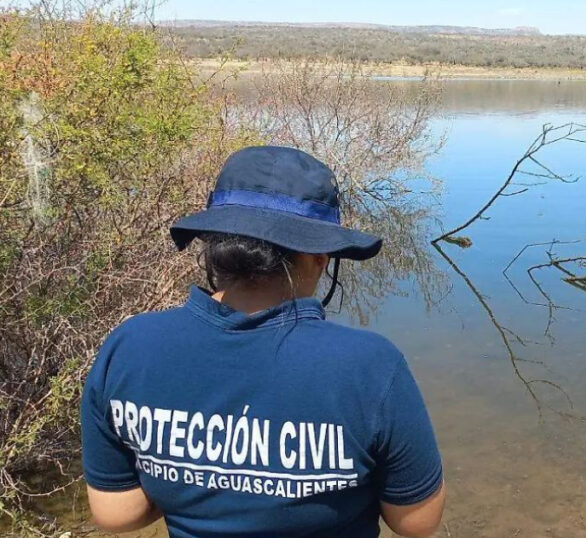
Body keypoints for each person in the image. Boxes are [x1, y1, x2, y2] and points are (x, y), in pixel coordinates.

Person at [81, 146, 446, 537]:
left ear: (213, 247)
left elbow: (117, 514)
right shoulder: (371, 365)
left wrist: (191, 477)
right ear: (321, 257)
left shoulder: (130, 346)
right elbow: (416, 523)